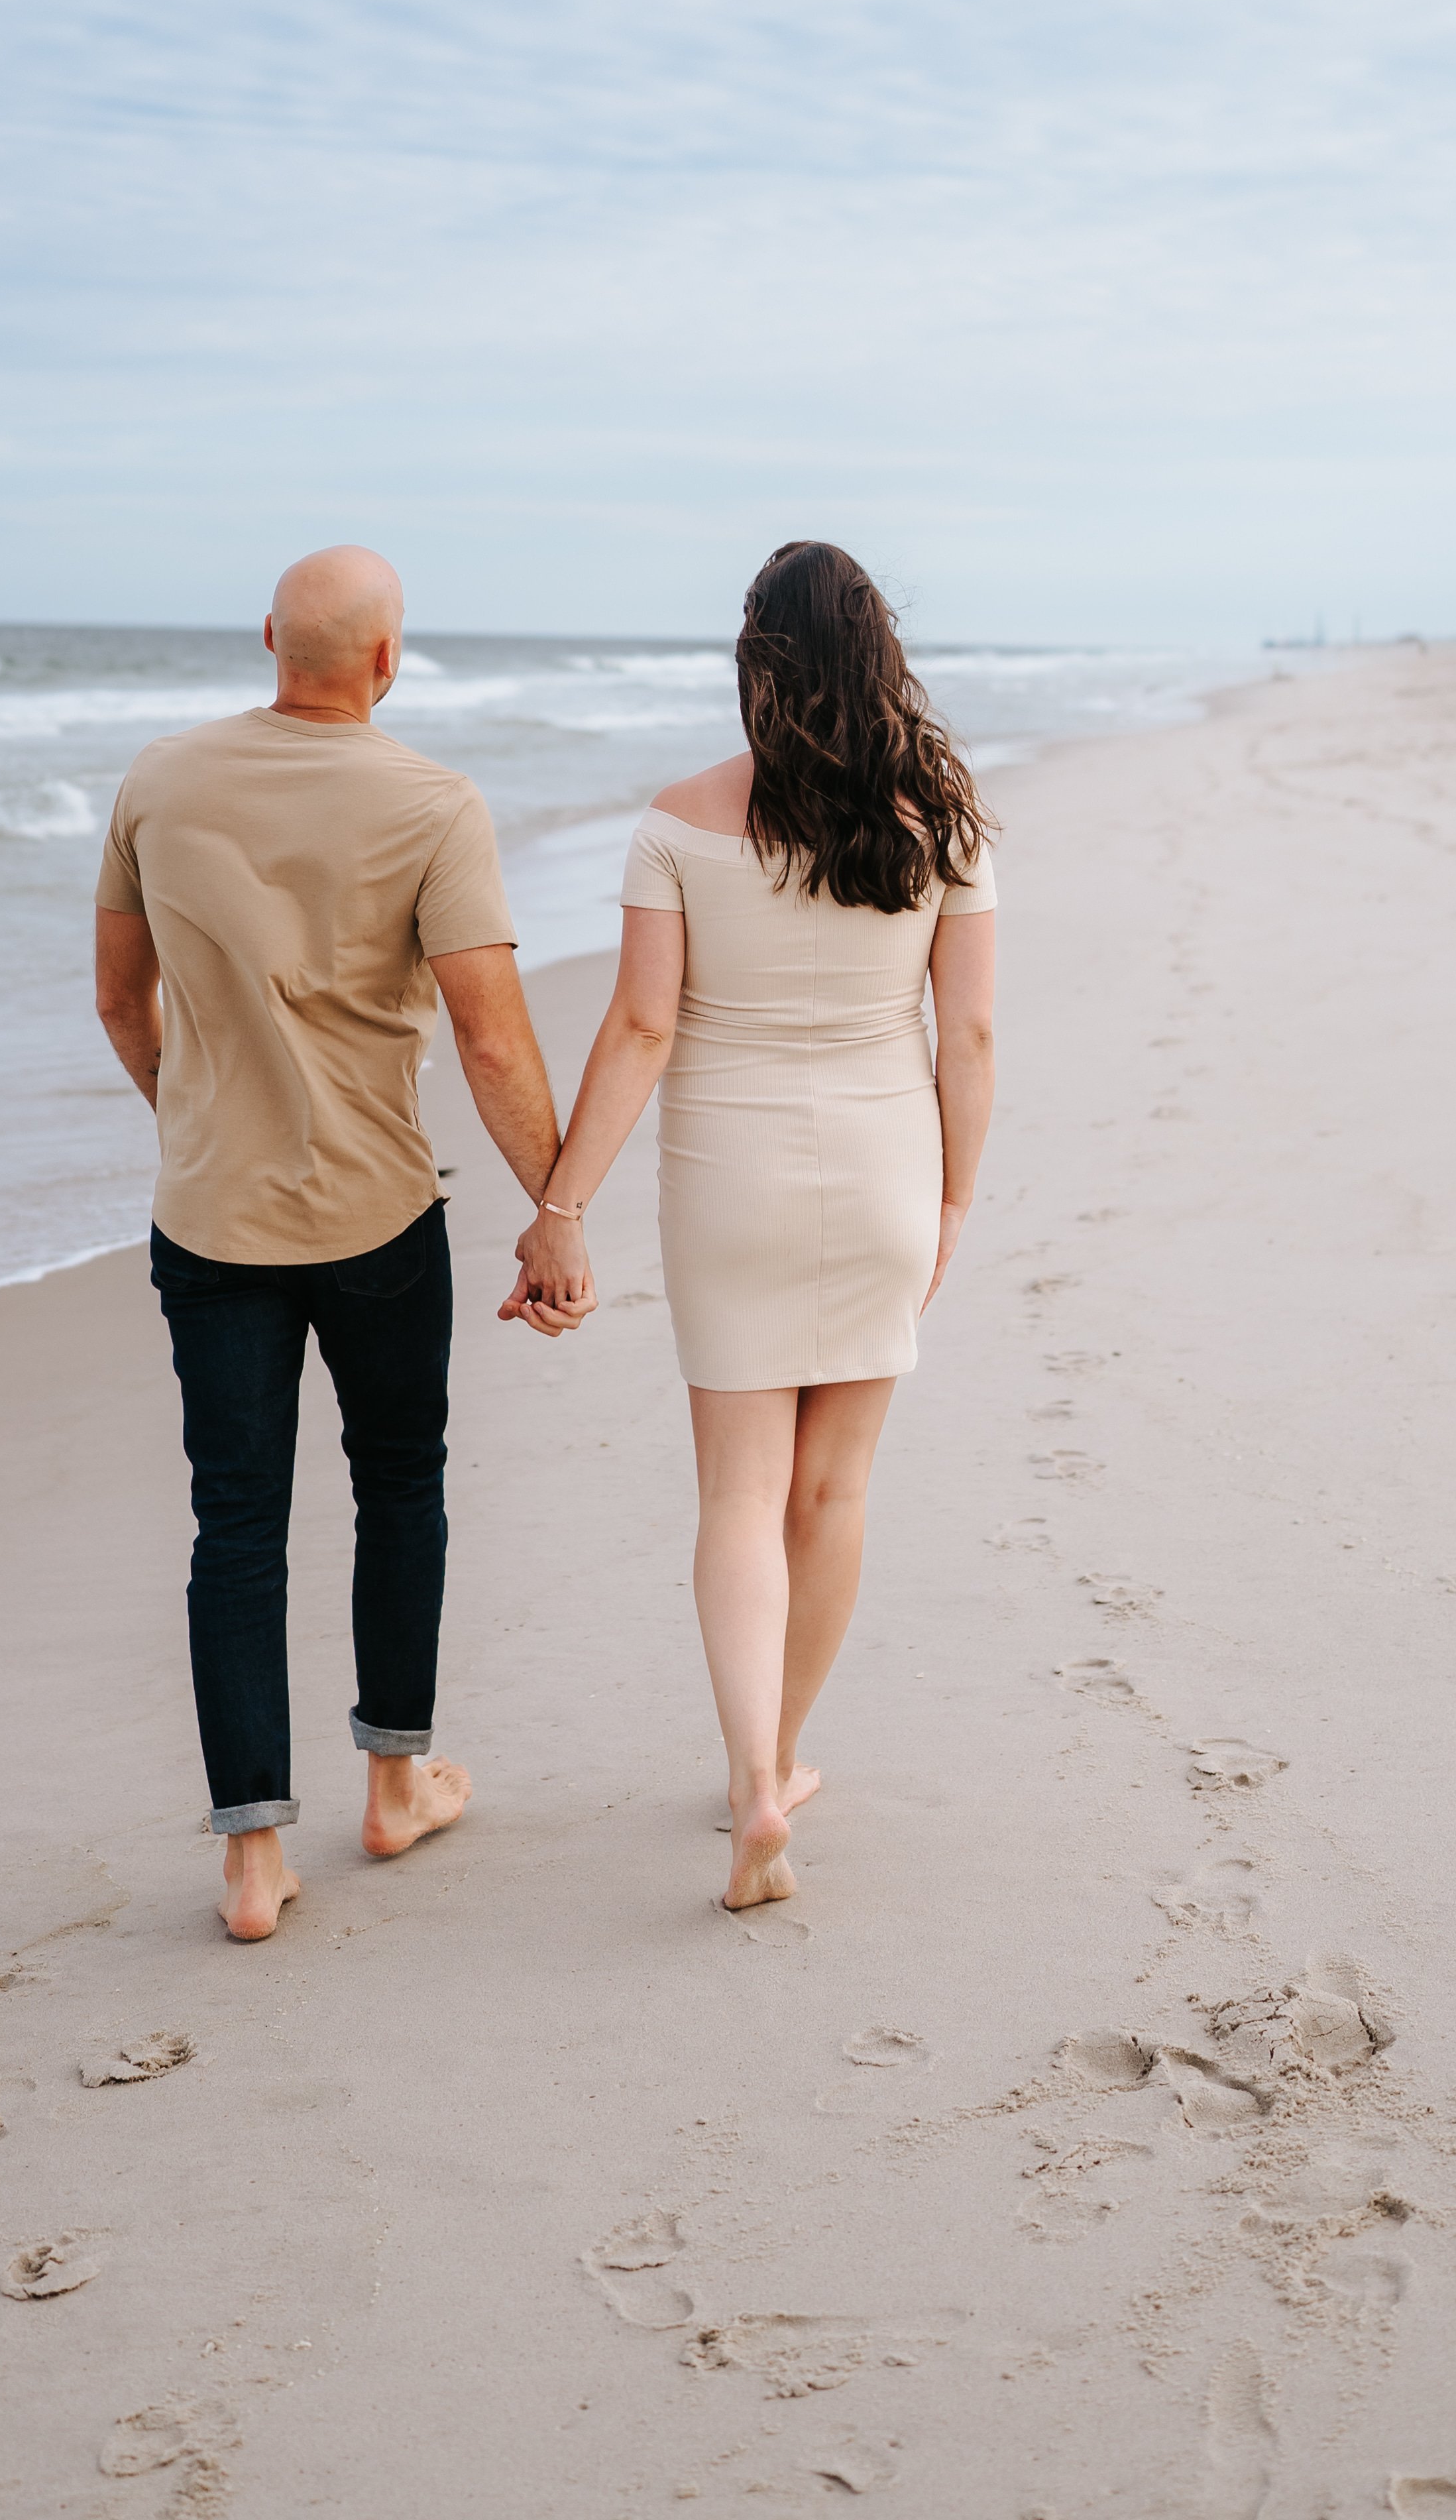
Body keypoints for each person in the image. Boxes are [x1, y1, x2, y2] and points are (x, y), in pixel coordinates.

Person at [506, 540, 997, 1910]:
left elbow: (644, 1025)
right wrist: (955, 1195)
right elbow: (966, 1030)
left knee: (735, 1498)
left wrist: (561, 1207)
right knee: (831, 1495)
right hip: (887, 1173)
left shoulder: (675, 822)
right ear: (878, 658)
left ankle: (748, 1791)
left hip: (727, 1186)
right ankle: (775, 1766)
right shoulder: (939, 823)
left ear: (754, 664)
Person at [95, 545, 567, 1943]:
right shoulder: (431, 803)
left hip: (211, 1217)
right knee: (397, 1487)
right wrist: (555, 1210)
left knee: (234, 1524)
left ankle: (249, 1865)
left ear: (266, 641)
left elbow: (124, 1006)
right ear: (386, 659)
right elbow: (487, 1033)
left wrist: (194, 1122)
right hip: (376, 1214)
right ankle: (393, 1784)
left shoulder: (157, 782)